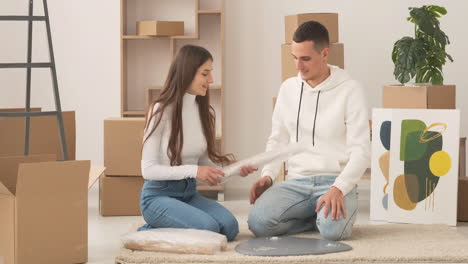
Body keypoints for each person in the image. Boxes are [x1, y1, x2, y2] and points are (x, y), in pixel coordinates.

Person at [247, 21, 370, 241]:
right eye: (294, 57)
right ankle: (313, 219)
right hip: (296, 183)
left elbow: (361, 151)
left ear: (325, 53)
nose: (298, 66)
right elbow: (278, 140)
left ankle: (325, 219)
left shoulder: (351, 90)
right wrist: (267, 176)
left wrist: (339, 188)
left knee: (333, 232)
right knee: (258, 223)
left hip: (335, 181)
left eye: (305, 59)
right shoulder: (288, 89)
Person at [138, 44, 255, 241]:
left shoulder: (204, 113)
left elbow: (206, 168)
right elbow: (148, 170)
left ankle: (171, 224)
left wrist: (236, 170)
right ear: (187, 72)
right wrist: (194, 171)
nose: (211, 80)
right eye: (205, 73)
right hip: (158, 196)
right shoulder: (160, 110)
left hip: (189, 194)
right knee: (208, 228)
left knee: (229, 228)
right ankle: (151, 229)